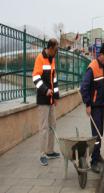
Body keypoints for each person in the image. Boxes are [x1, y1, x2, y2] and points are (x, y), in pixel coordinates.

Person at [80, 42, 104, 173]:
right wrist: (87, 104)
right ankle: (94, 162)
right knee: (96, 135)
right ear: (101, 55)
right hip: (93, 106)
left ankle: (98, 157)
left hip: (100, 105)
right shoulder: (92, 68)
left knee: (100, 133)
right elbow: (84, 88)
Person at [32, 38, 60, 166]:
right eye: (55, 50)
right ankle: (42, 154)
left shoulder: (52, 60)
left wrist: (56, 96)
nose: (56, 52)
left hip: (50, 99)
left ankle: (50, 151)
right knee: (43, 128)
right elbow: (36, 77)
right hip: (43, 99)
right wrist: (45, 90)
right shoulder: (40, 58)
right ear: (49, 48)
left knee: (52, 125)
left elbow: (54, 79)